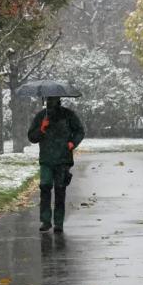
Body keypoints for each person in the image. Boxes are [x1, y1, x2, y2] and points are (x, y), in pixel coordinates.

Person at [27, 96, 85, 232]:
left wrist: (72, 143)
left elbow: (80, 131)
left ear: (58, 100)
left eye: (53, 100)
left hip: (63, 160)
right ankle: (45, 221)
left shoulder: (68, 115)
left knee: (60, 190)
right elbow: (32, 137)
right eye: (48, 100)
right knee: (45, 188)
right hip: (46, 160)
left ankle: (58, 222)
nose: (50, 103)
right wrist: (42, 128)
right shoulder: (41, 116)